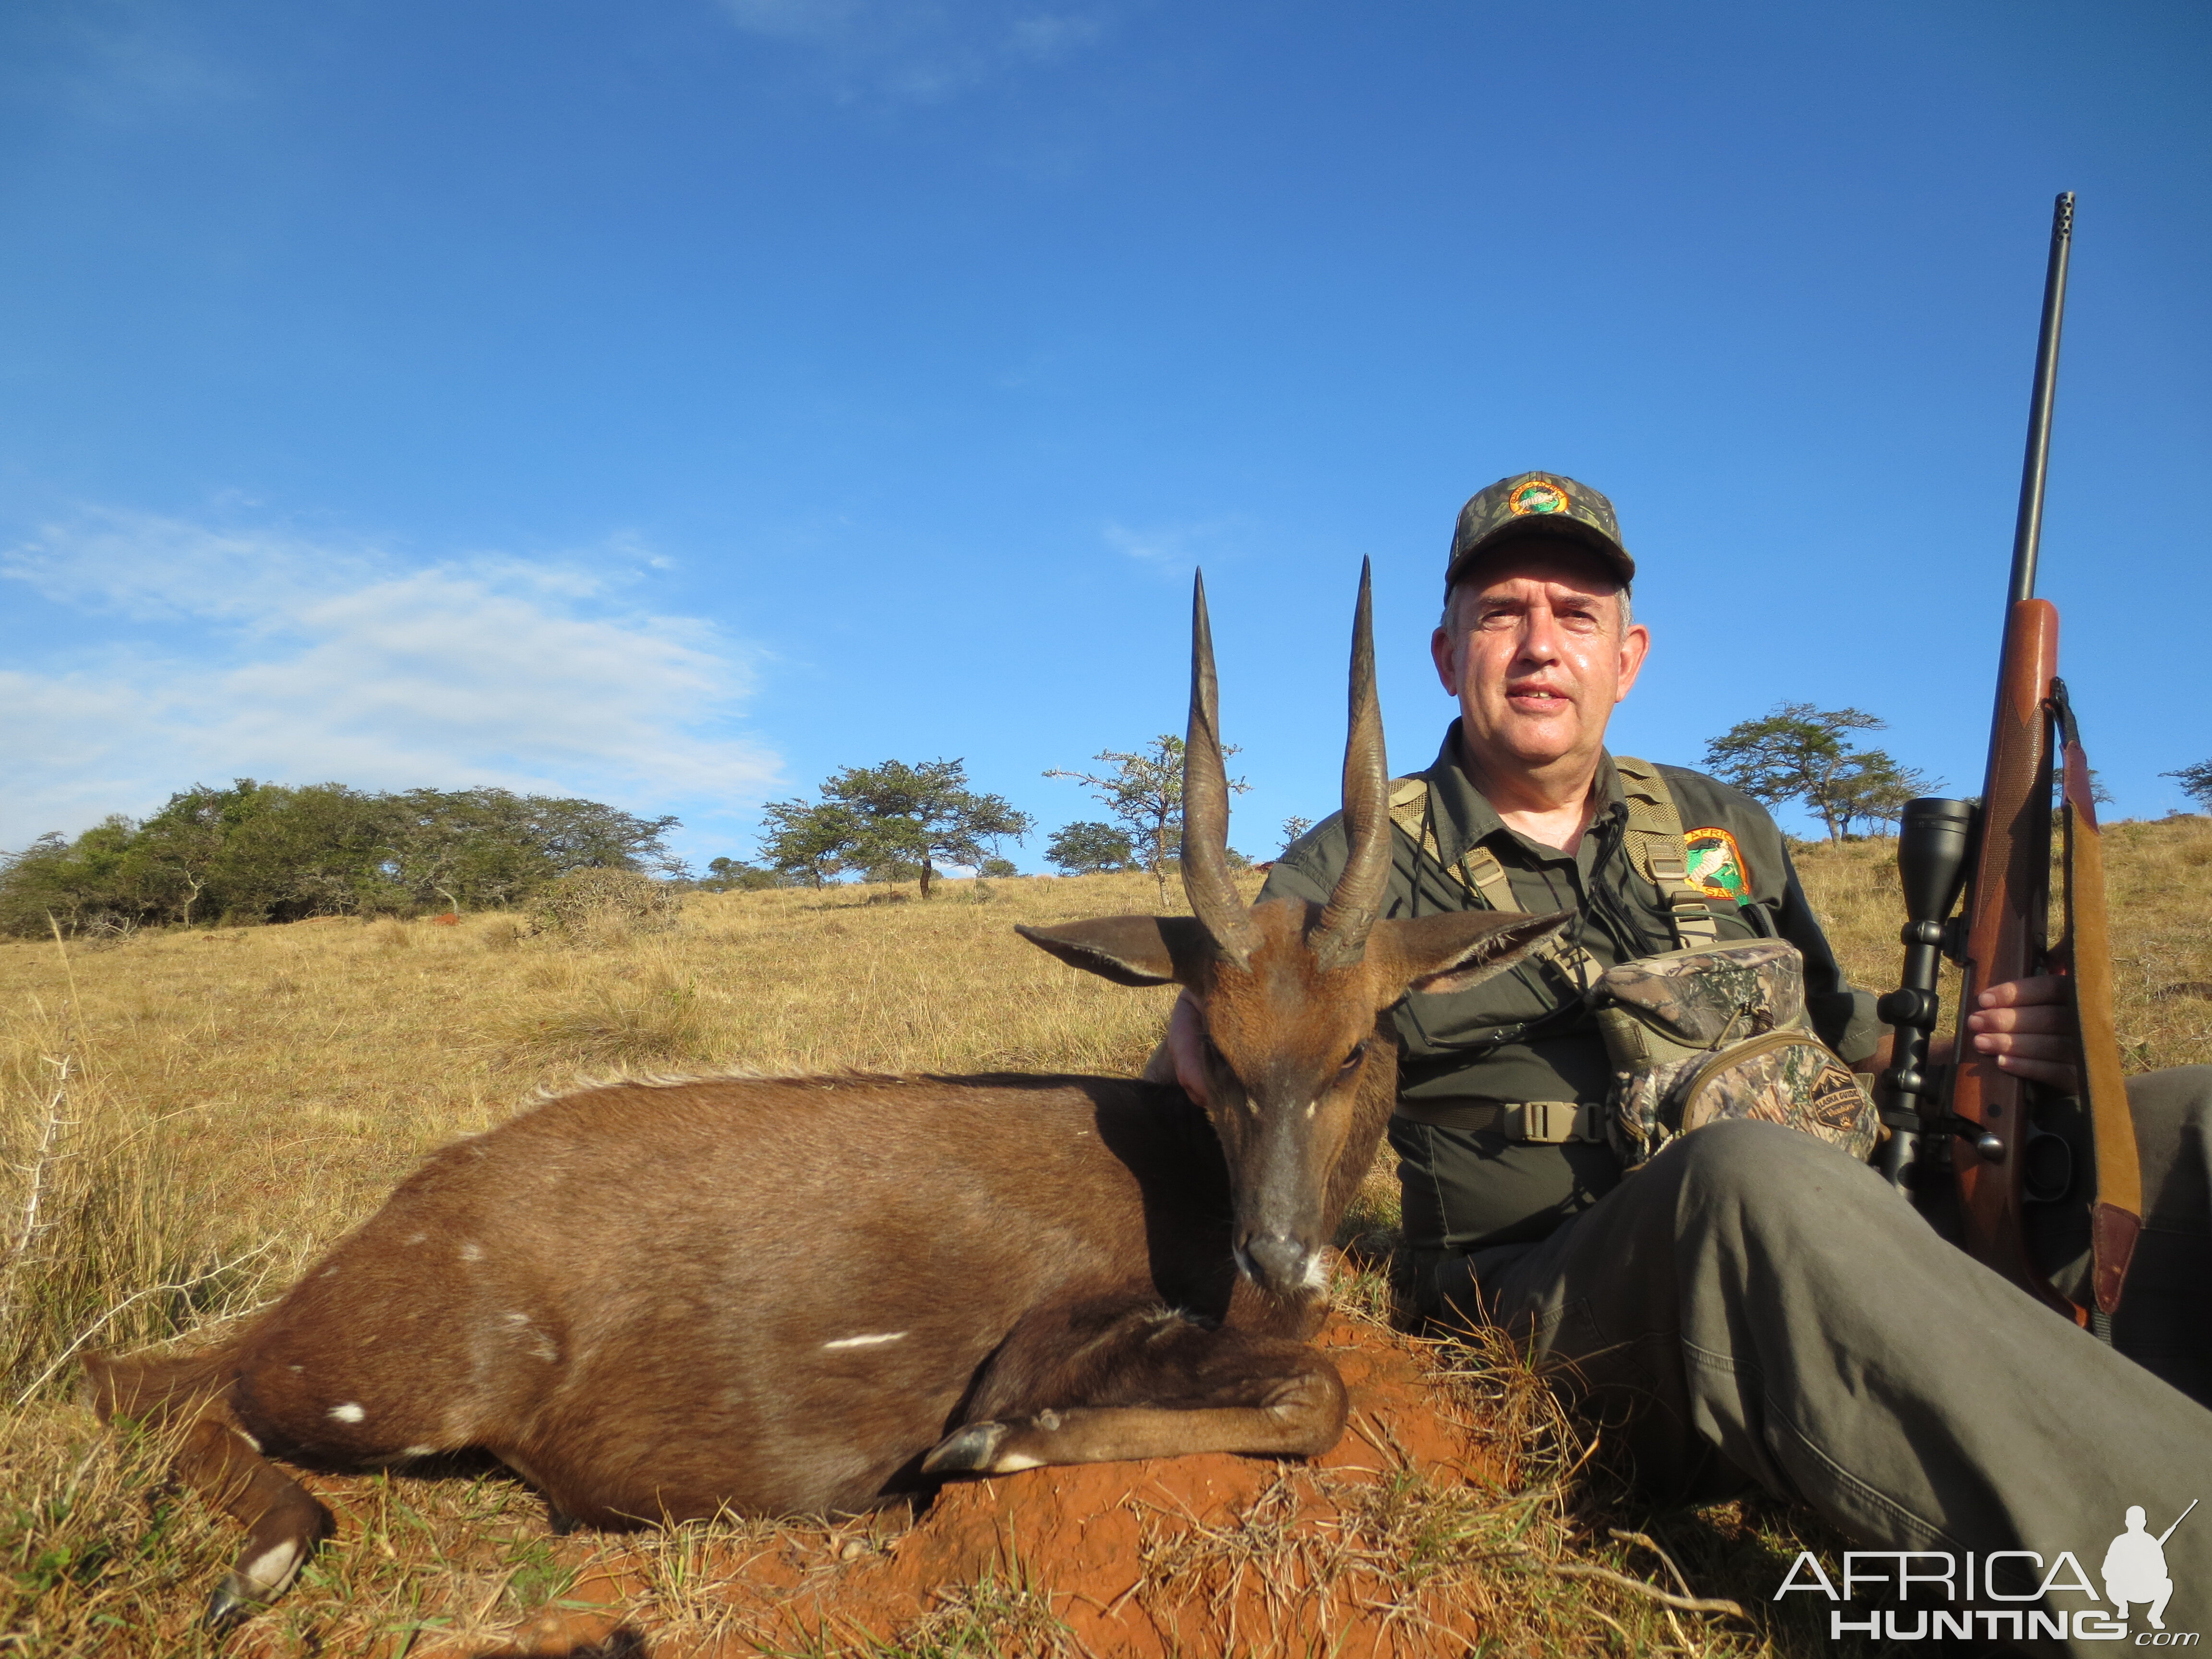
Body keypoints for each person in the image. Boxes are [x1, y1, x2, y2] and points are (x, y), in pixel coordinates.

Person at [1157, 472, 2212, 1647]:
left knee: (2192, 1122)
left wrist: (2012, 1054)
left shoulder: (1722, 824)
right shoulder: (1358, 864)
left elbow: (1850, 1042)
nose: (1541, 645)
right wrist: (1201, 1023)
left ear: (1630, 654)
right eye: (1504, 613)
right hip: (1555, 1299)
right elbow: (1248, 1000)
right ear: (1448, 653)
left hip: (1826, 1216)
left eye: (1578, 614)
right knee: (1747, 1181)